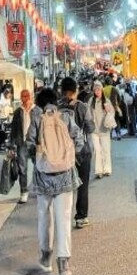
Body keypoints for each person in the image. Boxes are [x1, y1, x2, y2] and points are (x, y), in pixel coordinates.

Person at [27, 87, 83, 275]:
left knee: (44, 216)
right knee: (64, 219)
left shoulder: (36, 119)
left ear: (40, 103)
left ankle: (45, 255)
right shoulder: (66, 117)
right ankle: (64, 265)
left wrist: (41, 161)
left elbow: (29, 146)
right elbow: (79, 140)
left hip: (43, 177)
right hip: (65, 176)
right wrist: (68, 157)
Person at [58, 77, 94, 228]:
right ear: (75, 90)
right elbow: (91, 127)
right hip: (81, 151)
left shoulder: (56, 108)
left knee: (63, 186)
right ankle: (81, 217)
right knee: (82, 185)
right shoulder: (82, 107)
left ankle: (62, 217)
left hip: (62, 152)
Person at [10, 88, 41, 203]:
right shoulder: (18, 111)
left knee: (38, 167)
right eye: (23, 96)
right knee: (22, 169)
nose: (25, 99)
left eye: (27, 96)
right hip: (21, 143)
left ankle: (38, 188)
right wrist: (11, 145)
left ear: (31, 97)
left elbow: (41, 127)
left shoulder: (37, 110)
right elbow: (14, 129)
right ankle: (24, 192)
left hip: (34, 143)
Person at [90, 80, 115, 178]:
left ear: (102, 90)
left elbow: (112, 112)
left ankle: (107, 169)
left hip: (104, 129)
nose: (97, 91)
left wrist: (108, 111)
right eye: (95, 90)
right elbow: (88, 114)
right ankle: (98, 171)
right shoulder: (91, 101)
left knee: (106, 149)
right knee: (97, 150)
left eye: (99, 89)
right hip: (94, 130)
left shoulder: (106, 101)